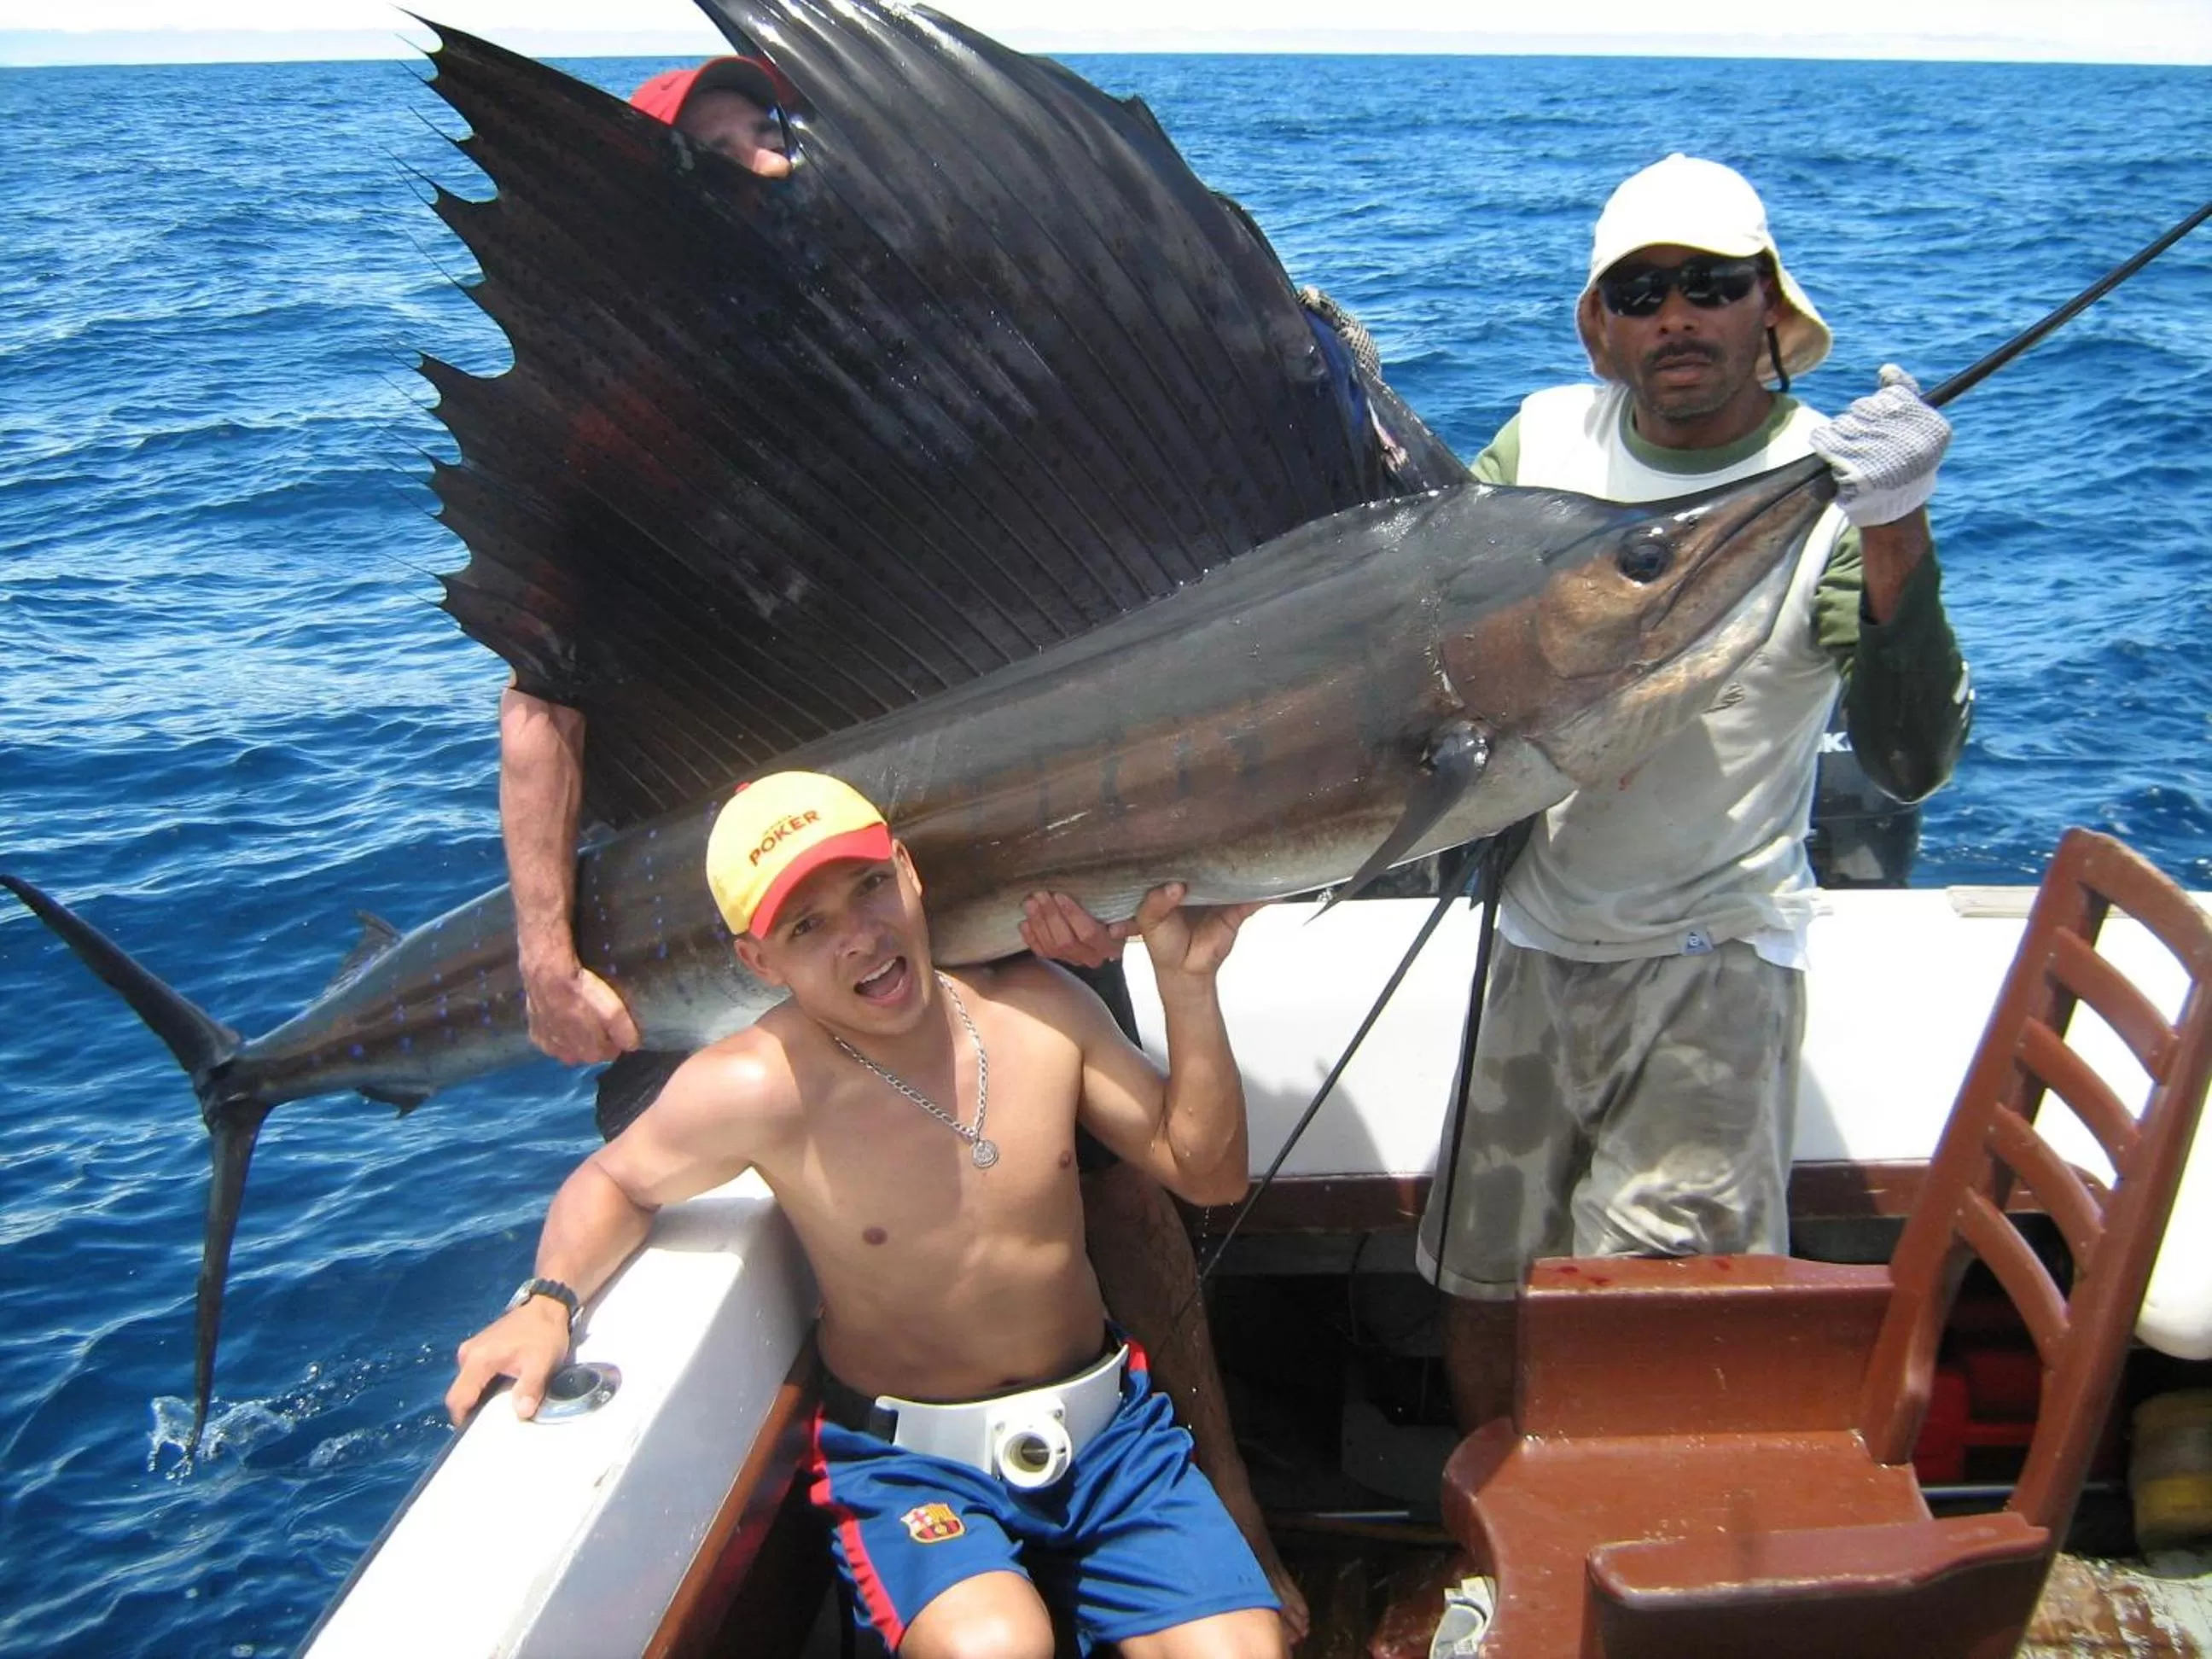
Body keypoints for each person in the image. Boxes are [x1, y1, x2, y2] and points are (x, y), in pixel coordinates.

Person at [497, 62, 1314, 1633]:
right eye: (721, 160)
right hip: (730, 882)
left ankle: (1225, 1515)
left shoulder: (903, 361)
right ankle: (936, 1519)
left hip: (935, 867)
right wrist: (547, 954)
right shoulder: (629, 422)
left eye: (778, 137)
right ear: (671, 212)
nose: (768, 170)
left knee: (1122, 1189)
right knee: (799, 1167)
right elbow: (545, 701)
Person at [448, 771, 1286, 1659]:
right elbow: (615, 1181)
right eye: (807, 928)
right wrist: (546, 1300)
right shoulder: (758, 1085)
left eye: (869, 887)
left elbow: (1209, 1174)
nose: (860, 938)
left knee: (1242, 1650)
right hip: (911, 1463)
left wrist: (1187, 985)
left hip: (1109, 1432)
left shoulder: (1042, 1009)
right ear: (759, 962)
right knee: (997, 1647)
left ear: (908, 870)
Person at [1417, 153, 1972, 1430]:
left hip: (1711, 957)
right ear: (1604, 325)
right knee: (1482, 1293)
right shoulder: (1542, 439)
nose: (1679, 314)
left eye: (1713, 287)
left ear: (1768, 312)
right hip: (1534, 941)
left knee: (1652, 1333)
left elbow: (1908, 762)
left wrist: (1898, 536)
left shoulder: (1837, 494)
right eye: (1644, 288)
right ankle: (1502, 1576)